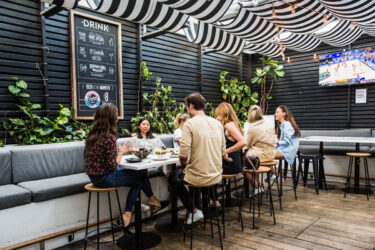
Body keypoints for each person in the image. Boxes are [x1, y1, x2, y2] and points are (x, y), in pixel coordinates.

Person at [84, 103, 167, 233]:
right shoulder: (109, 137)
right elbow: (112, 165)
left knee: (141, 172)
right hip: (104, 178)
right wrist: (121, 151)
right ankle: (130, 211)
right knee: (140, 178)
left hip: (94, 176)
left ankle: (151, 201)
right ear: (111, 118)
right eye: (116, 115)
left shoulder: (92, 136)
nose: (117, 118)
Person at [168, 93, 225, 224]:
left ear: (191, 106)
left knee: (173, 177)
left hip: (198, 175)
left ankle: (195, 211)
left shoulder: (190, 124)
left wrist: (183, 165)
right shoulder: (217, 124)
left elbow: (183, 154)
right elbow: (222, 150)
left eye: (187, 107)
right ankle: (198, 209)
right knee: (192, 173)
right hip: (216, 175)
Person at [245, 105, 276, 194]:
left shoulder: (253, 129)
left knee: (243, 167)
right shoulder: (269, 126)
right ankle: (271, 175)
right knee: (251, 159)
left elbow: (247, 144)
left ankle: (257, 187)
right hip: (271, 155)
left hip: (261, 156)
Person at [274, 105, 301, 182]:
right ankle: (274, 173)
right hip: (285, 149)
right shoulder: (283, 125)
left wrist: (276, 142)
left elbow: (287, 142)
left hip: (288, 151)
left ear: (284, 113)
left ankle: (274, 174)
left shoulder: (286, 124)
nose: (275, 114)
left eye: (277, 112)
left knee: (265, 154)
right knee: (266, 152)